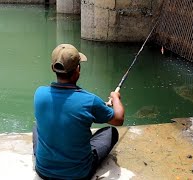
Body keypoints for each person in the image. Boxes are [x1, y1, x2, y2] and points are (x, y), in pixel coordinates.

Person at [33, 44, 125, 180]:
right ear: (78, 70)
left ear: (53, 68)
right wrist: (115, 98)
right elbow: (118, 119)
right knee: (111, 132)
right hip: (78, 174)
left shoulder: (39, 93)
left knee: (36, 126)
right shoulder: (90, 100)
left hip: (44, 171)